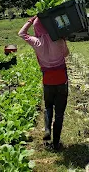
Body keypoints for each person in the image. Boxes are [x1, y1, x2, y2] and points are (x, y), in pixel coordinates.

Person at [18, 15, 69, 150]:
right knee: (59, 113)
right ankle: (56, 143)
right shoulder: (58, 39)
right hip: (61, 79)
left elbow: (21, 33)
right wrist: (63, 40)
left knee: (48, 106)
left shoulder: (36, 41)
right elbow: (66, 54)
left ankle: (47, 129)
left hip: (47, 79)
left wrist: (30, 20)